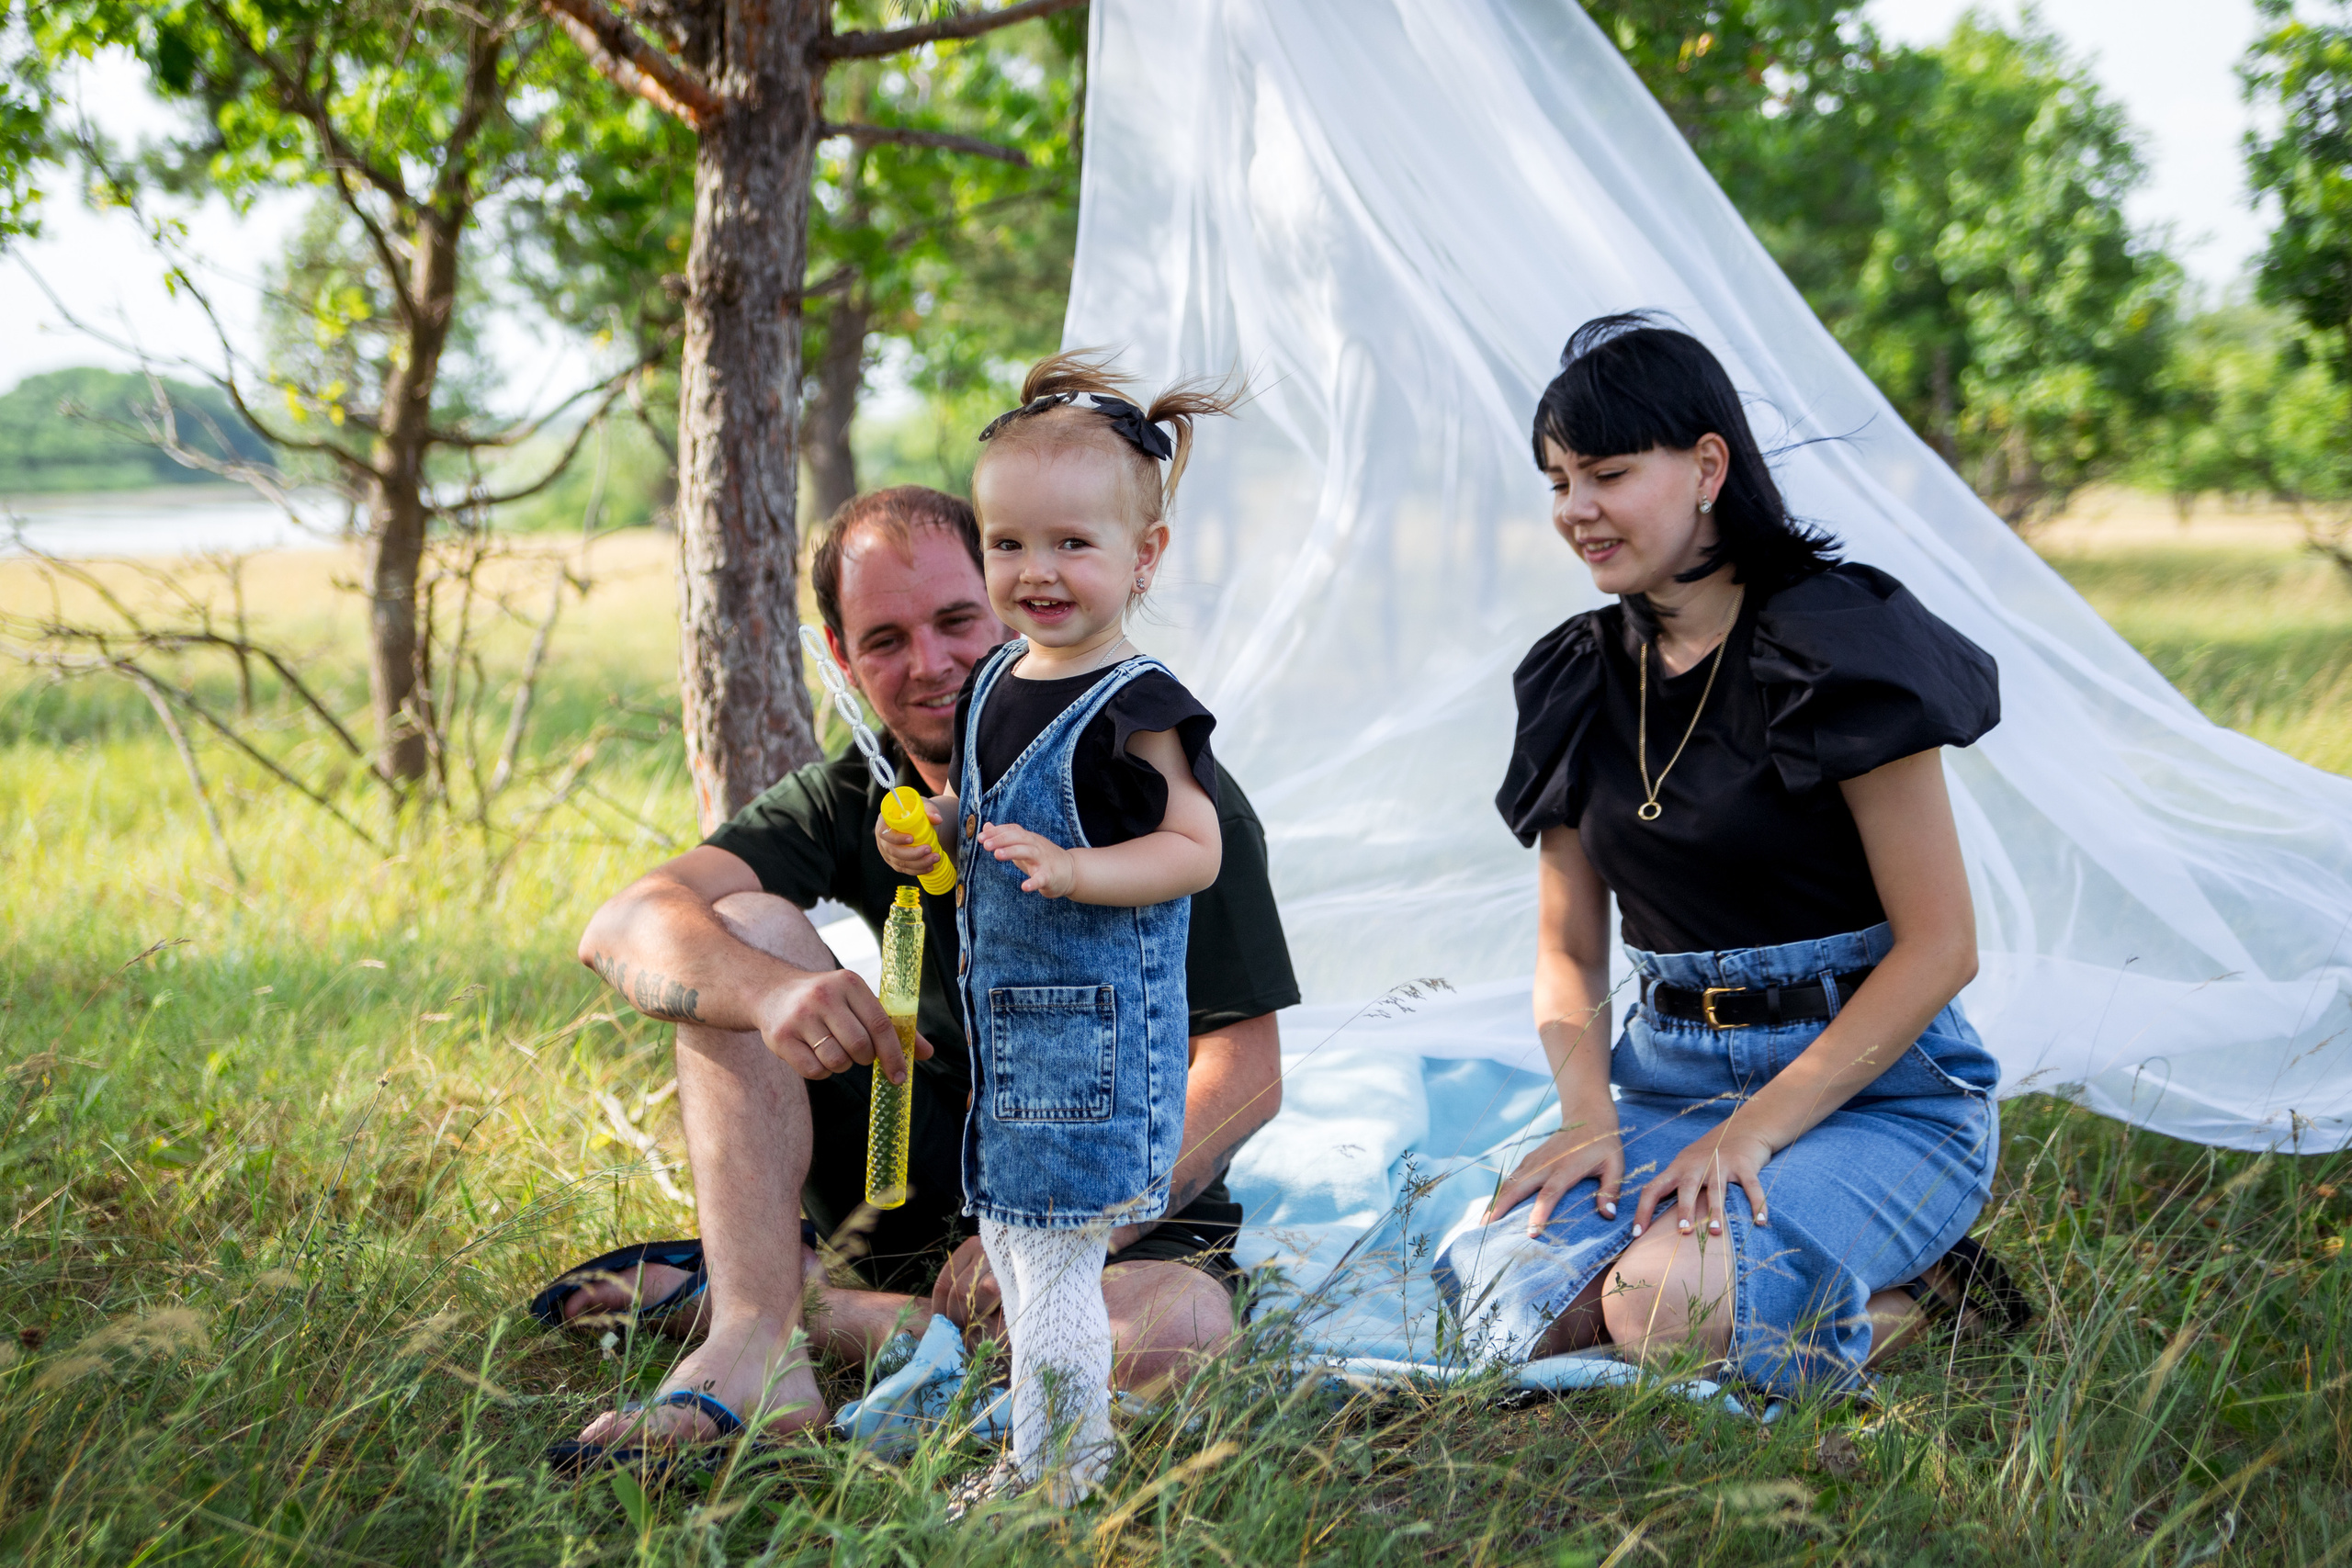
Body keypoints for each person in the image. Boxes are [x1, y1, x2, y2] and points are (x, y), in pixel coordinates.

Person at [548, 481, 1297, 1460]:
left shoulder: (1146, 782)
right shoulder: (856, 792)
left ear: (1009, 598)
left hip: (1107, 1204)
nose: (930, 665)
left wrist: (1068, 1230)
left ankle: (814, 1306)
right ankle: (757, 1347)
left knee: (1174, 1335)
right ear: (843, 660)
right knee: (744, 927)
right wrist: (770, 989)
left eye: (955, 620)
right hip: (914, 1184)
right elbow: (622, 926)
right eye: (885, 640)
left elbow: (1245, 1071)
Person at [1434, 314, 2029, 1394]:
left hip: (1880, 1093)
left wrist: (1752, 1134)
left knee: (1660, 1305)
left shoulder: (1838, 645)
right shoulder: (1574, 676)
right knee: (1506, 1308)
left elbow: (1940, 948)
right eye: (1558, 480)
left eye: (1607, 473)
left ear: (1708, 465)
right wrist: (1585, 1119)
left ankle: (1922, 1310)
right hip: (1663, 1080)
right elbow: (1568, 952)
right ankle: (1814, 1291)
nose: (1576, 510)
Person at [875, 353, 1239, 1504]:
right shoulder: (995, 682)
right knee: (1029, 1272)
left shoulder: (1137, 702)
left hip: (1092, 1045)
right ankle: (1048, 1455)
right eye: (1009, 544)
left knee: (1055, 1272)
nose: (1036, 572)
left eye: (1072, 545)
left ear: (1145, 556)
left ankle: (1060, 1480)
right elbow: (989, 827)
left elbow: (1195, 849)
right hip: (1017, 1045)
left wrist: (1081, 872)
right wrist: (935, 829)